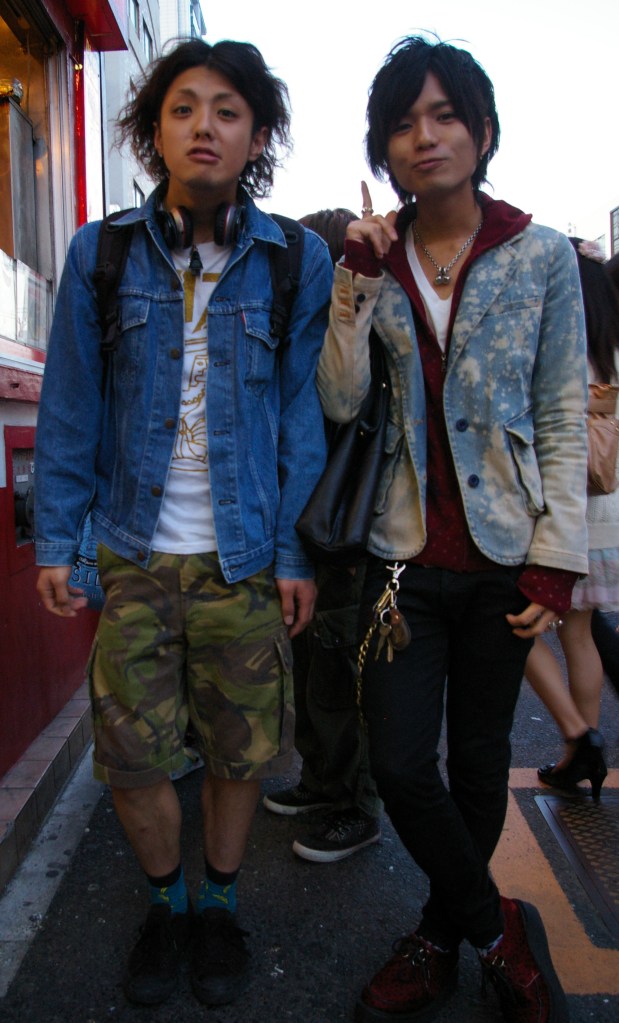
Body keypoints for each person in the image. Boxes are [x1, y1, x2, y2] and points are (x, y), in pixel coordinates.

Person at [34, 38, 333, 1009]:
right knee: (130, 754)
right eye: (184, 107)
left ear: (257, 136)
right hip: (128, 552)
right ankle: (165, 909)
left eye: (228, 110)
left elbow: (298, 418)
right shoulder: (101, 251)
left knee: (242, 748)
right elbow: (74, 403)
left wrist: (293, 550)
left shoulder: (296, 261)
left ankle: (220, 909)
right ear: (153, 129)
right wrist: (57, 538)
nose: (205, 125)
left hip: (245, 556)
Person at [316, 34, 588, 1023]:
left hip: (503, 561)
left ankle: (436, 936)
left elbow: (560, 411)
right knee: (396, 764)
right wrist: (354, 284)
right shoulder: (372, 259)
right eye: (401, 122)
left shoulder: (537, 253)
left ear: (479, 130)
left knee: (477, 766)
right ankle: (492, 926)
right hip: (401, 562)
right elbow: (340, 403)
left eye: (442, 116)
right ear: (384, 147)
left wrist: (552, 575)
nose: (422, 137)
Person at [263, 208, 383, 863]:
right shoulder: (310, 324)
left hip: (345, 523)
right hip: (308, 522)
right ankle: (319, 781)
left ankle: (353, 805)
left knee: (339, 667)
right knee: (309, 661)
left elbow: (342, 406)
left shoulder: (354, 326)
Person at [526, 237, 619, 797]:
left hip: (557, 516)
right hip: (607, 521)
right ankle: (580, 749)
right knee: (578, 635)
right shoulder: (612, 350)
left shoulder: (558, 344)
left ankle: (577, 735)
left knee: (512, 628)